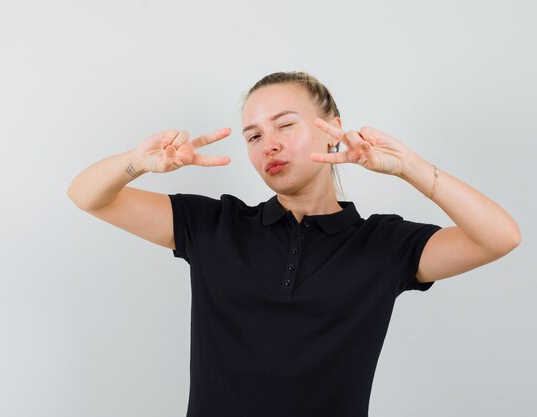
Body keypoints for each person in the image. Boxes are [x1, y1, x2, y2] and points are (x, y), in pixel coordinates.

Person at [67, 71, 521, 417]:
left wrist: (410, 168)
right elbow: (87, 196)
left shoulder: (384, 244)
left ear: (332, 128)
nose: (270, 145)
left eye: (285, 125)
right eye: (254, 136)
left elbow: (501, 238)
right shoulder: (213, 224)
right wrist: (136, 163)